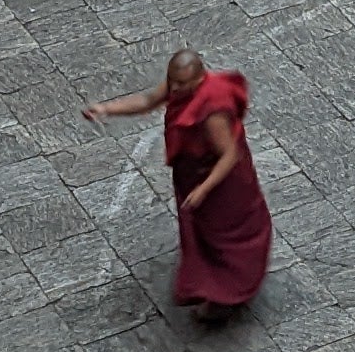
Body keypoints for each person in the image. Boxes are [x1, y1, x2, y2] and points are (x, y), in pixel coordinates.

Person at [81, 50, 271, 321]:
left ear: (200, 78)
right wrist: (107, 109)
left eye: (182, 84)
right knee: (202, 230)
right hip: (193, 171)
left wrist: (203, 189)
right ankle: (207, 279)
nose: (176, 89)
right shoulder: (178, 87)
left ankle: (226, 294)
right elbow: (149, 100)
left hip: (219, 180)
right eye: (173, 82)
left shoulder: (213, 109)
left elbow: (230, 155)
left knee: (227, 234)